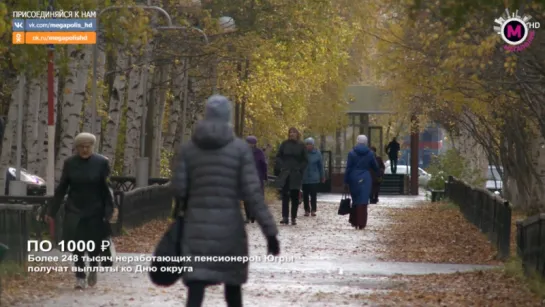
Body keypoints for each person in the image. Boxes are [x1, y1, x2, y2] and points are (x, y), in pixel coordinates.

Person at [171, 95, 280, 307]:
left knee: (196, 285)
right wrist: (270, 233)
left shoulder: (189, 149)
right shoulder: (239, 150)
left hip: (196, 227)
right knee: (232, 288)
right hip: (230, 229)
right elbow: (253, 194)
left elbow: (179, 188)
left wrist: (181, 211)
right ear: (228, 116)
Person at [45, 132, 115, 289]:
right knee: (77, 245)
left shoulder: (102, 163)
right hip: (75, 208)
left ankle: (93, 267)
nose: (84, 150)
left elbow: (107, 188)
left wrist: (111, 209)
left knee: (94, 245)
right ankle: (80, 277)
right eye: (81, 147)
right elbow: (62, 187)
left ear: (92, 147)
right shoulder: (70, 163)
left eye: (87, 147)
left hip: (95, 209)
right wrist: (51, 211)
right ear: (76, 148)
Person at [344, 135, 379, 230]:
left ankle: (354, 221)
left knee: (355, 199)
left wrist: (346, 180)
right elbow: (375, 166)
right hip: (365, 177)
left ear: (357, 141)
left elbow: (348, 168)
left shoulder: (351, 153)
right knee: (363, 200)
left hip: (353, 177)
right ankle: (362, 223)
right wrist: (378, 173)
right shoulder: (370, 153)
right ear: (366, 142)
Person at [275, 127, 308, 225]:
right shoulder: (284, 144)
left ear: (297, 134)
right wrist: (282, 166)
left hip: (296, 173)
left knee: (294, 196)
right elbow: (278, 156)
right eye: (290, 132)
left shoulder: (301, 145)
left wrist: (300, 169)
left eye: (294, 132)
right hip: (286, 172)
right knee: (285, 195)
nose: (292, 134)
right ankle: (285, 217)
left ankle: (293, 217)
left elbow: (305, 160)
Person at [244, 135, 268, 223]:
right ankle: (248, 216)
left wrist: (265, 175)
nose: (249, 145)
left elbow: (263, 165)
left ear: (254, 144)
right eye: (248, 143)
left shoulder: (259, 152)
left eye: (251, 143)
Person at [301, 137, 324, 217]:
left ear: (313, 145)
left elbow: (321, 166)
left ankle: (313, 210)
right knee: (305, 195)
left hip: (314, 177)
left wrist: (322, 176)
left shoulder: (317, 153)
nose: (308, 146)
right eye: (307, 144)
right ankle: (306, 210)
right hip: (305, 177)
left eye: (310, 144)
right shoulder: (303, 153)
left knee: (313, 195)